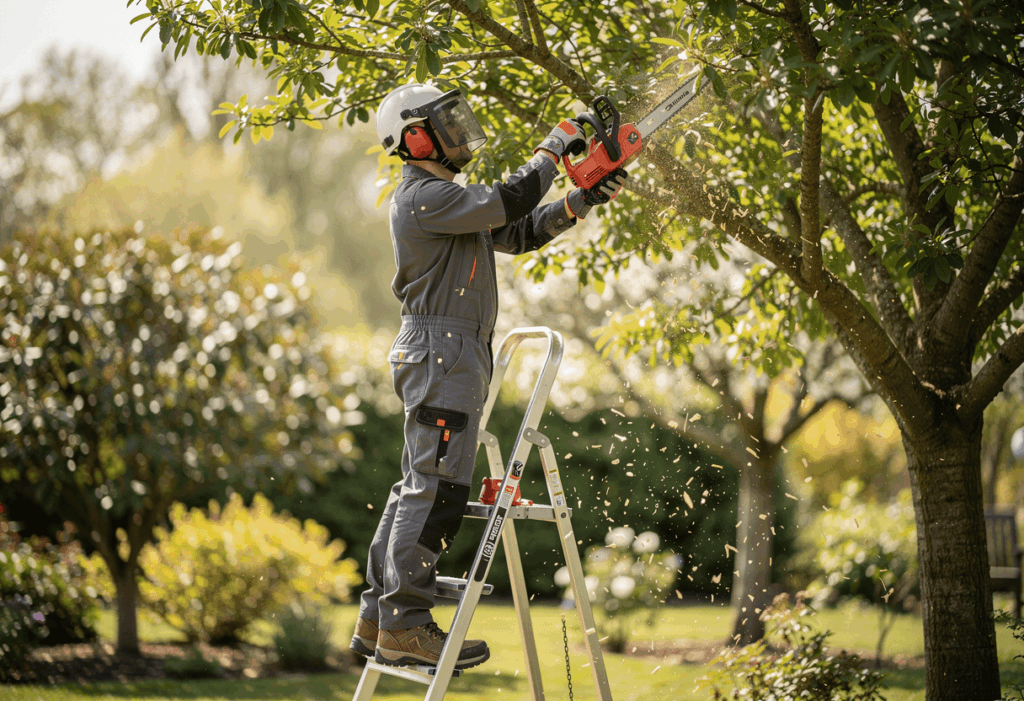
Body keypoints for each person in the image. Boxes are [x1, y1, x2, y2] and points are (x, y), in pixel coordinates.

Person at [350, 83, 627, 670]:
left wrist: (581, 201)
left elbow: (518, 230)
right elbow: (512, 197)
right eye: (442, 120)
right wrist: (554, 150)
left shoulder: (449, 201)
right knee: (438, 488)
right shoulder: (424, 197)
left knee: (417, 485)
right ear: (416, 136)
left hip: (448, 349)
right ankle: (405, 624)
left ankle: (379, 618)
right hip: (444, 349)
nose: (457, 128)